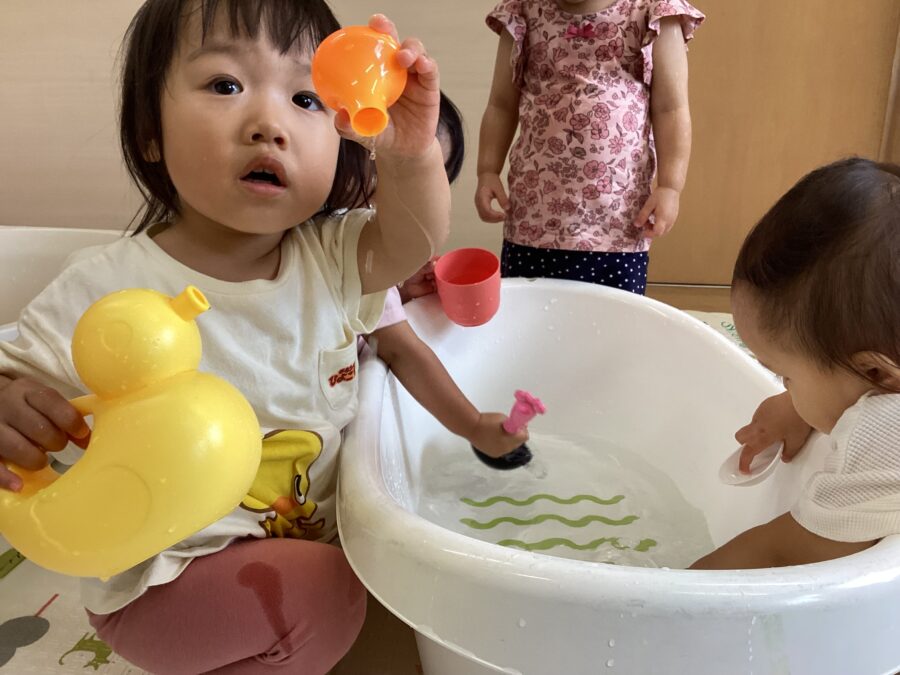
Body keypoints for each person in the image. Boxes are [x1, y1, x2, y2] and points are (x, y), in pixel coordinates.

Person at [0, 1, 449, 672]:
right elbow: (12, 376)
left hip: (297, 555)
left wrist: (411, 152)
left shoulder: (331, 260)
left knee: (363, 587)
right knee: (325, 594)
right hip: (159, 582)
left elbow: (415, 239)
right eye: (225, 84)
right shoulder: (105, 285)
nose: (269, 123)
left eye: (306, 98)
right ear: (150, 134)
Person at [691, 158, 900, 569]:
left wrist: (667, 590)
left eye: (785, 375)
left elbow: (785, 553)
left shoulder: (884, 436)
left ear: (875, 372)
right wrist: (795, 406)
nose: (782, 385)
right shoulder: (881, 376)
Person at [475, 0, 704, 293]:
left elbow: (671, 108)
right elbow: (501, 105)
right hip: (534, 215)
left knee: (614, 314)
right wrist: (487, 170)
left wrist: (670, 186)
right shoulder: (522, 12)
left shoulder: (653, 11)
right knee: (530, 310)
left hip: (618, 220)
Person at [365, 92, 530, 459]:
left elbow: (368, 316)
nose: (409, 192)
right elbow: (400, 349)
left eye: (430, 178)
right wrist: (473, 424)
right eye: (390, 167)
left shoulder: (370, 253)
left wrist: (403, 292)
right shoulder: (346, 240)